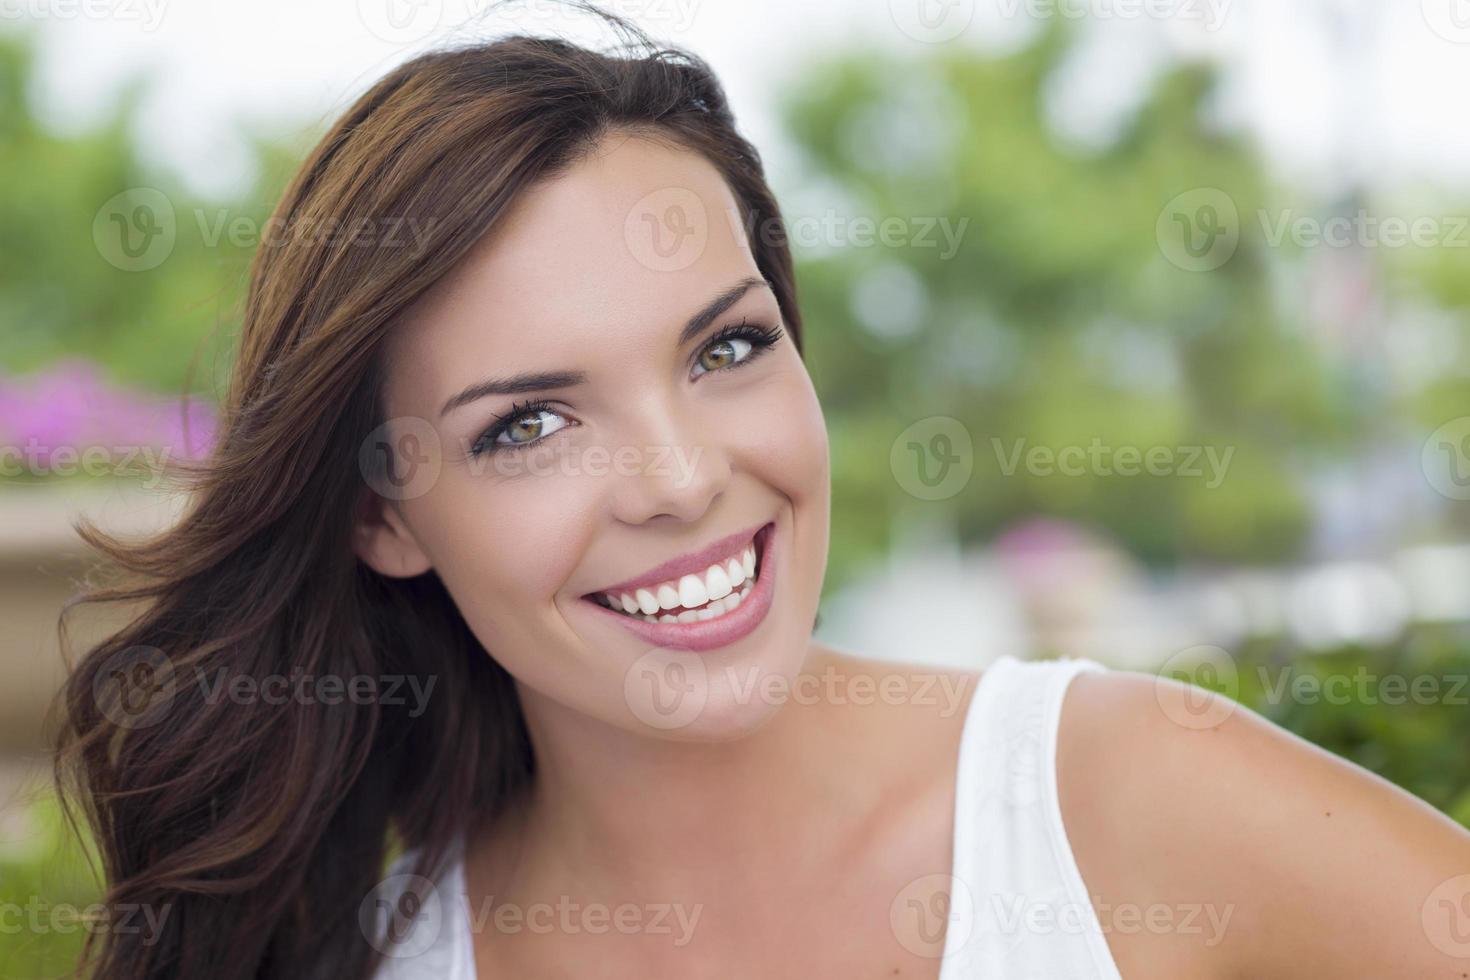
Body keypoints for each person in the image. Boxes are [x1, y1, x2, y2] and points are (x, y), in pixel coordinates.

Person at [54, 9, 1470, 980]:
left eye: (725, 348)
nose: (679, 481)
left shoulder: (1126, 797)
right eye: (529, 424)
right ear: (383, 516)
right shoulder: (371, 956)